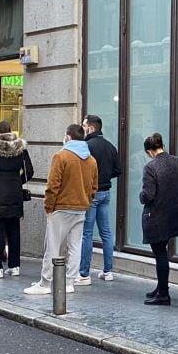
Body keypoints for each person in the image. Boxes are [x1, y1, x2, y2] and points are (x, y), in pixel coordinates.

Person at [25, 124, 98, 296]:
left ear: (68, 137)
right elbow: (94, 186)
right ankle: (70, 282)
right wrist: (86, 201)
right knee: (74, 246)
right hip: (81, 208)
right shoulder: (91, 160)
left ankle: (45, 282)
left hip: (61, 207)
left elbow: (53, 185)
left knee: (52, 246)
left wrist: (48, 206)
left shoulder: (61, 156)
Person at [139, 132, 178, 305]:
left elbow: (148, 195)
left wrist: (141, 196)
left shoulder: (151, 167)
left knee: (160, 253)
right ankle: (160, 287)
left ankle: (163, 293)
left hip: (158, 216)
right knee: (162, 252)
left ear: (149, 151)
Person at [0, 120, 34, 279]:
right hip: (15, 193)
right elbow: (29, 171)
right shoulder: (20, 148)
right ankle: (14, 266)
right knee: (14, 230)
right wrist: (18, 182)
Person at [76, 114, 121, 284]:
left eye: (84, 125)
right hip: (106, 192)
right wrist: (105, 177)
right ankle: (108, 271)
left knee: (87, 233)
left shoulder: (87, 146)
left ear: (91, 128)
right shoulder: (110, 146)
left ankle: (84, 274)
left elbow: (81, 169)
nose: (82, 128)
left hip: (91, 193)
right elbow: (118, 170)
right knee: (106, 232)